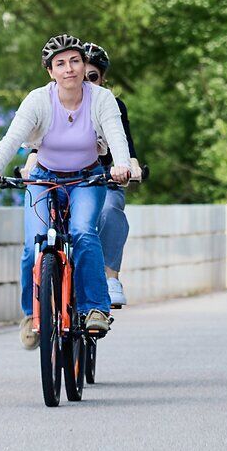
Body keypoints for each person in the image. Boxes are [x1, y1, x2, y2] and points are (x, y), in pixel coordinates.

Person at [0, 33, 138, 348]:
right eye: (60, 64)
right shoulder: (38, 100)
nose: (69, 69)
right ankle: (32, 315)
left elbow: (117, 137)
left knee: (83, 233)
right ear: (51, 71)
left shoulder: (101, 99)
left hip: (86, 179)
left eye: (75, 61)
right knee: (32, 247)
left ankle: (95, 308)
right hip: (43, 178)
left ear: (83, 65)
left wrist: (121, 166)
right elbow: (12, 138)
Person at [81, 42, 142, 309]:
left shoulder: (112, 105)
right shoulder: (55, 101)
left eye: (93, 77)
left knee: (109, 209)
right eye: (81, 76)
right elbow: (39, 145)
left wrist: (130, 166)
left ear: (103, 78)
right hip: (65, 177)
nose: (86, 83)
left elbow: (125, 144)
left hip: (104, 177)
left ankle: (110, 278)